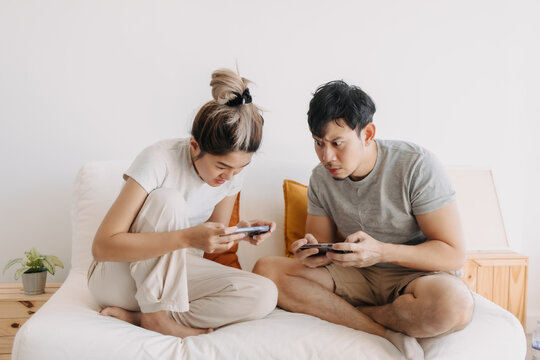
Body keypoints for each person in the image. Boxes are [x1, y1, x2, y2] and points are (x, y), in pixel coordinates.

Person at [253, 80, 474, 360]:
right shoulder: (320, 178)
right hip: (355, 274)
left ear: (367, 134)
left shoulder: (417, 165)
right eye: (319, 144)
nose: (327, 156)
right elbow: (322, 247)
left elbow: (453, 254)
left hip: (415, 274)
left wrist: (380, 251)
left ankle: (358, 316)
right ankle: (383, 333)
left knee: (454, 306)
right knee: (267, 270)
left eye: (337, 143)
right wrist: (313, 253)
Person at [88, 68, 278, 338]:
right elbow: (102, 247)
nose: (229, 176)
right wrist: (187, 238)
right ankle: (155, 317)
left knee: (264, 293)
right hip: (120, 277)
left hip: (175, 278)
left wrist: (238, 233)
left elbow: (212, 235)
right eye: (221, 166)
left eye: (239, 168)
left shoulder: (232, 176)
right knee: (168, 201)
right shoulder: (158, 160)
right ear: (194, 146)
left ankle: (142, 317)